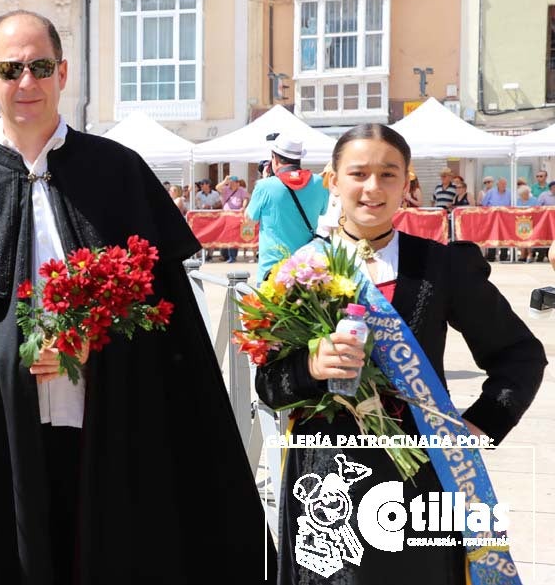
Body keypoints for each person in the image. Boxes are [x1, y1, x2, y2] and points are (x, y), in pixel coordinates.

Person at [0, 10, 275, 584]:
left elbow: (168, 329)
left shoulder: (118, 173)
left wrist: (93, 352)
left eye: (40, 66)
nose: (26, 82)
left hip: (109, 433)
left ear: (63, 73)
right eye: (10, 68)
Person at [255, 123, 547, 585]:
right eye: (358, 173)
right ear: (332, 181)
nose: (372, 188)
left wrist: (482, 425)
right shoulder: (298, 270)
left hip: (418, 480)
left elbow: (520, 353)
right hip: (326, 485)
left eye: (388, 175)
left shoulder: (440, 265)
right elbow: (268, 385)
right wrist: (311, 368)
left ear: (408, 184)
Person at [245, 132, 328, 282]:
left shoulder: (265, 186)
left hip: (272, 269)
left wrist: (265, 181)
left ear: (274, 158)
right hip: (306, 268)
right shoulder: (319, 183)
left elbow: (249, 221)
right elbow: (323, 211)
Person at [219, 175, 248, 263]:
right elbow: (217, 187)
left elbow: (245, 199)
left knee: (233, 236)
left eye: (233, 183)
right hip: (226, 216)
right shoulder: (226, 189)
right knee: (225, 236)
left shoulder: (241, 190)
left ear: (237, 183)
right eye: (230, 182)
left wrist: (243, 207)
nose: (231, 184)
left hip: (236, 216)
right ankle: (225, 255)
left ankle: (232, 257)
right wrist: (225, 181)